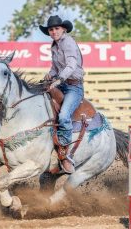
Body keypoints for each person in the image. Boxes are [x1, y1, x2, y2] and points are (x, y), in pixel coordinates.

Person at [39, 15, 84, 173]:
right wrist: (50, 75)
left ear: (63, 29)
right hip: (62, 83)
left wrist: (58, 79)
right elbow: (55, 68)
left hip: (73, 87)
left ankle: (64, 154)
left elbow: (71, 65)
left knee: (64, 115)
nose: (53, 31)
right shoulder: (55, 46)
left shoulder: (68, 42)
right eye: (51, 29)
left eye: (56, 28)